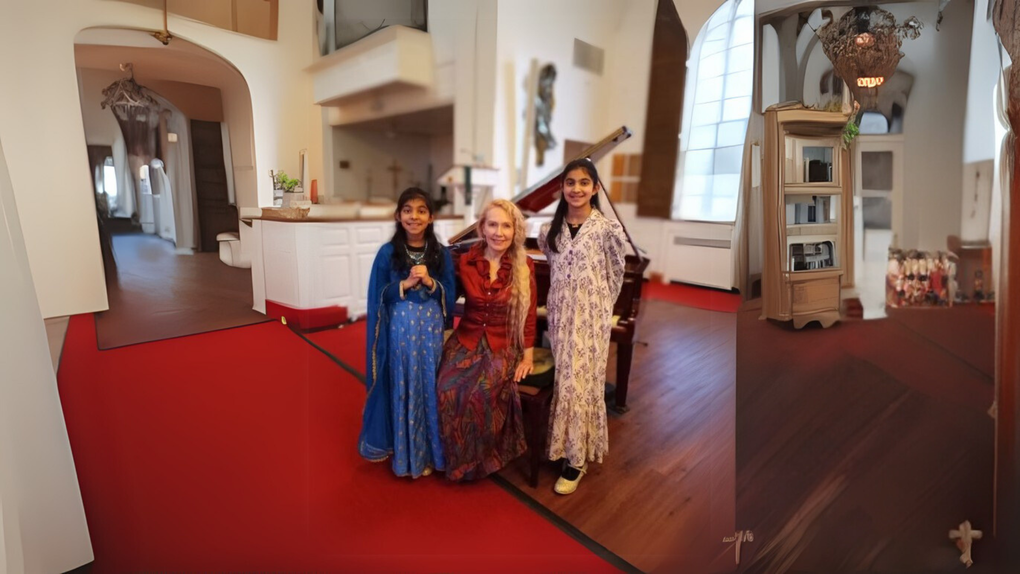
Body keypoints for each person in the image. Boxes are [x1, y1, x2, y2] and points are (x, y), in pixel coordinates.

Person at [539, 157, 628, 495]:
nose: (576, 189)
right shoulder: (550, 230)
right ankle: (568, 446)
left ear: (595, 188)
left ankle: (576, 459)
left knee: (584, 383)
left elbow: (616, 271)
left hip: (591, 318)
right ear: (562, 188)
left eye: (583, 183)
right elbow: (553, 265)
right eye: (570, 183)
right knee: (566, 381)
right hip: (561, 316)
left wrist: (600, 304)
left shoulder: (608, 228)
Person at [436, 199, 537, 481]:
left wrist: (527, 356)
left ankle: (477, 463)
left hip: (502, 346)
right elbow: (444, 297)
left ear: (515, 230)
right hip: (465, 340)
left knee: (478, 396)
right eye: (492, 224)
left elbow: (529, 316)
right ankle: (449, 457)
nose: (499, 232)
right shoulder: (467, 261)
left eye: (506, 226)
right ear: (482, 227)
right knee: (445, 389)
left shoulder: (524, 265)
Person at [358, 187, 455, 478]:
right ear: (399, 216)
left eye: (421, 210)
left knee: (429, 388)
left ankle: (431, 453)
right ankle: (407, 456)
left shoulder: (441, 253)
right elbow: (378, 297)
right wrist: (405, 285)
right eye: (408, 210)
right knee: (406, 388)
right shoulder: (388, 253)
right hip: (401, 335)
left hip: (431, 335)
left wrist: (430, 283)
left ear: (431, 217)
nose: (414, 216)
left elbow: (450, 296)